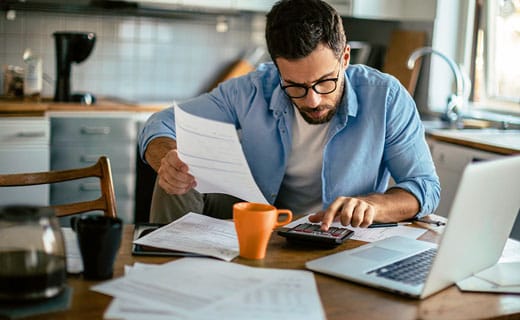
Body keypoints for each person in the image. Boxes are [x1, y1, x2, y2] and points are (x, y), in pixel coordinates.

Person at [138, 0, 440, 230]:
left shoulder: (386, 96)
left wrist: (372, 206)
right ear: (277, 69)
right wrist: (167, 157)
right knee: (176, 167)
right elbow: (160, 123)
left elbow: (424, 187)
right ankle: (170, 275)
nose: (312, 99)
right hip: (259, 218)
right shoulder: (253, 89)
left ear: (345, 57)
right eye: (294, 85)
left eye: (325, 81)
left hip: (335, 234)